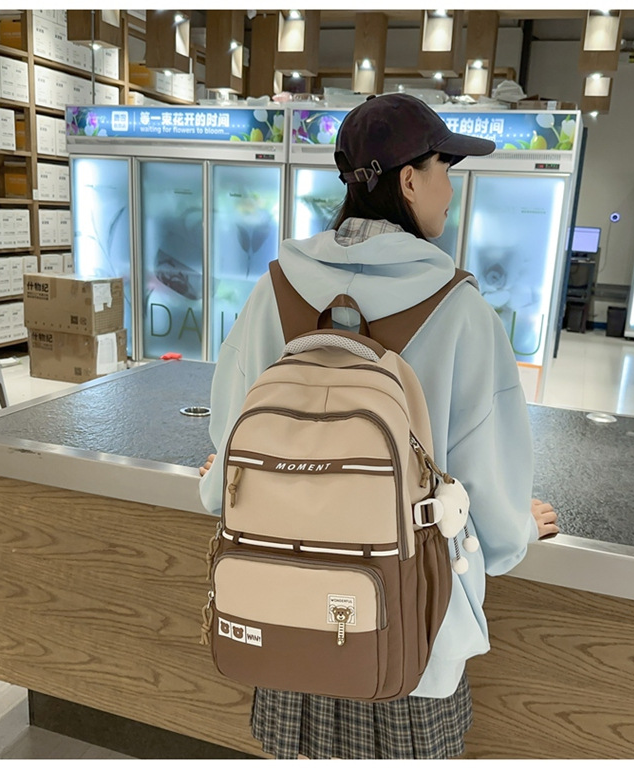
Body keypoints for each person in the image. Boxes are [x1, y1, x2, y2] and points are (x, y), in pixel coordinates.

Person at [199, 93, 558, 760]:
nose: (452, 188)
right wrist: (519, 528)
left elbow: (226, 456)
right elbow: (495, 523)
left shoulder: (274, 289)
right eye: (446, 168)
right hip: (408, 630)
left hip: (285, 614)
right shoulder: (461, 310)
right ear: (410, 180)